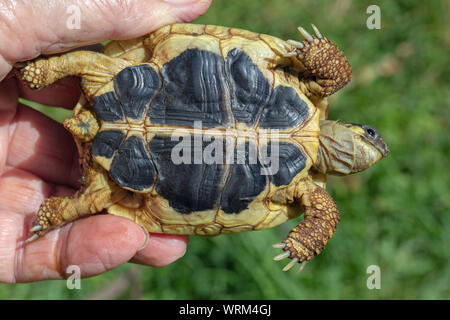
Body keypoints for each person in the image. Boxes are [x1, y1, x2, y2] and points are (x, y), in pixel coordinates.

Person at [0, 0, 211, 283]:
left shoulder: (104, 77)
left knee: (96, 205)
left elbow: (85, 62)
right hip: (117, 164)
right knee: (95, 203)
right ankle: (49, 217)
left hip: (121, 97)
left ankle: (50, 216)